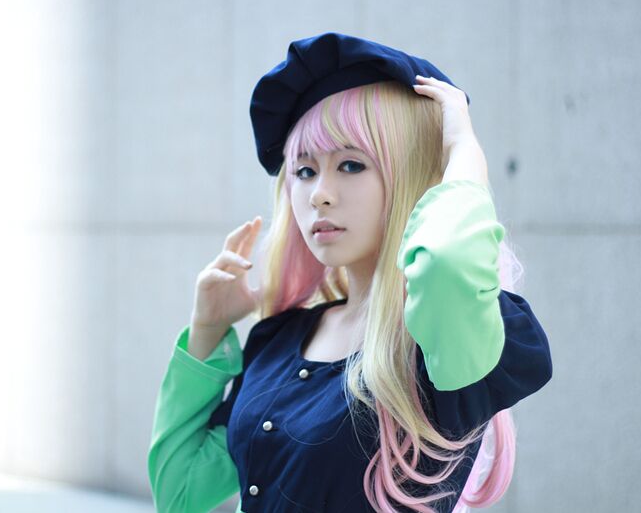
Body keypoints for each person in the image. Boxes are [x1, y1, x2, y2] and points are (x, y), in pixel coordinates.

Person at [147, 32, 553, 513]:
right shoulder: (278, 338)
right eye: (304, 171)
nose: (319, 193)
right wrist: (207, 331)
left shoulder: (444, 342)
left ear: (414, 174)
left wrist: (462, 152)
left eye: (351, 165)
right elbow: (179, 493)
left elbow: (445, 263)